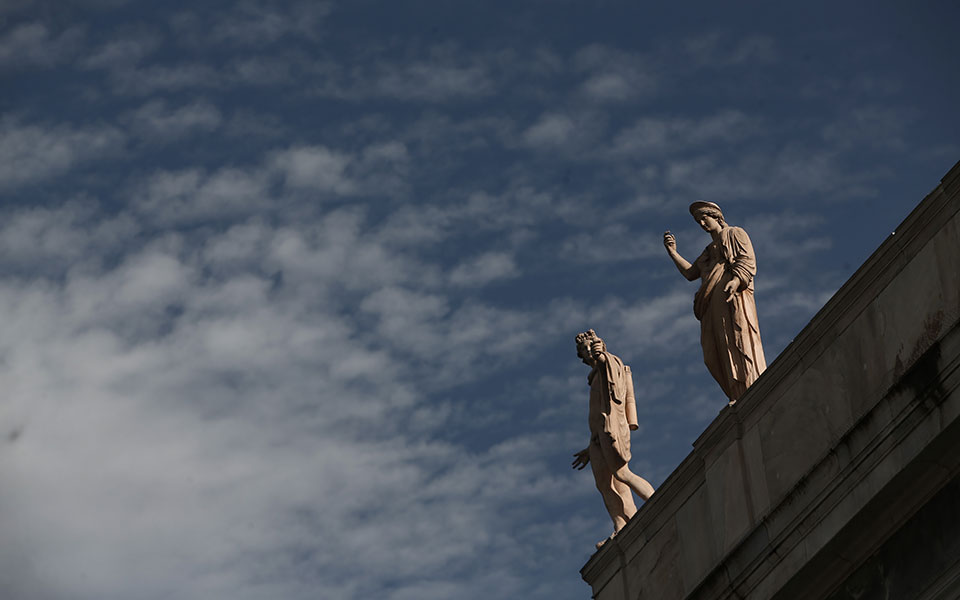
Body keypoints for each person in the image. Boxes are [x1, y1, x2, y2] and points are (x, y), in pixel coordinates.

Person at [663, 201, 767, 403]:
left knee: (736, 342)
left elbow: (747, 260)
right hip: (710, 304)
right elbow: (691, 273)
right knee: (713, 355)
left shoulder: (735, 233)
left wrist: (736, 280)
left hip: (731, 297)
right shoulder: (708, 252)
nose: (702, 224)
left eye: (704, 218)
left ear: (716, 217)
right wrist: (673, 252)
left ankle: (747, 389)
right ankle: (735, 392)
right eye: (698, 222)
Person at [572, 330, 655, 547]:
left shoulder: (608, 363)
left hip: (610, 429)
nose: (587, 350)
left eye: (589, 346)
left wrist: (600, 353)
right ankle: (621, 525)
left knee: (622, 473)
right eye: (583, 349)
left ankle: (656, 501)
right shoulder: (593, 377)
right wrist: (589, 448)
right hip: (596, 437)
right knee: (604, 484)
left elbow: (609, 372)